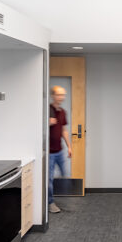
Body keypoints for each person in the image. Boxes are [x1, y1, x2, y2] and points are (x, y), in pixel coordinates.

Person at [49, 85, 72, 213]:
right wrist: (47, 122)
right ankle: (50, 203)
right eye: (59, 94)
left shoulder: (62, 112)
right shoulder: (47, 110)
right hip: (49, 152)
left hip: (59, 150)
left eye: (63, 95)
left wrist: (69, 147)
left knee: (65, 174)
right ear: (53, 95)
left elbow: (64, 130)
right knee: (49, 179)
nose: (61, 97)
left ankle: (54, 197)